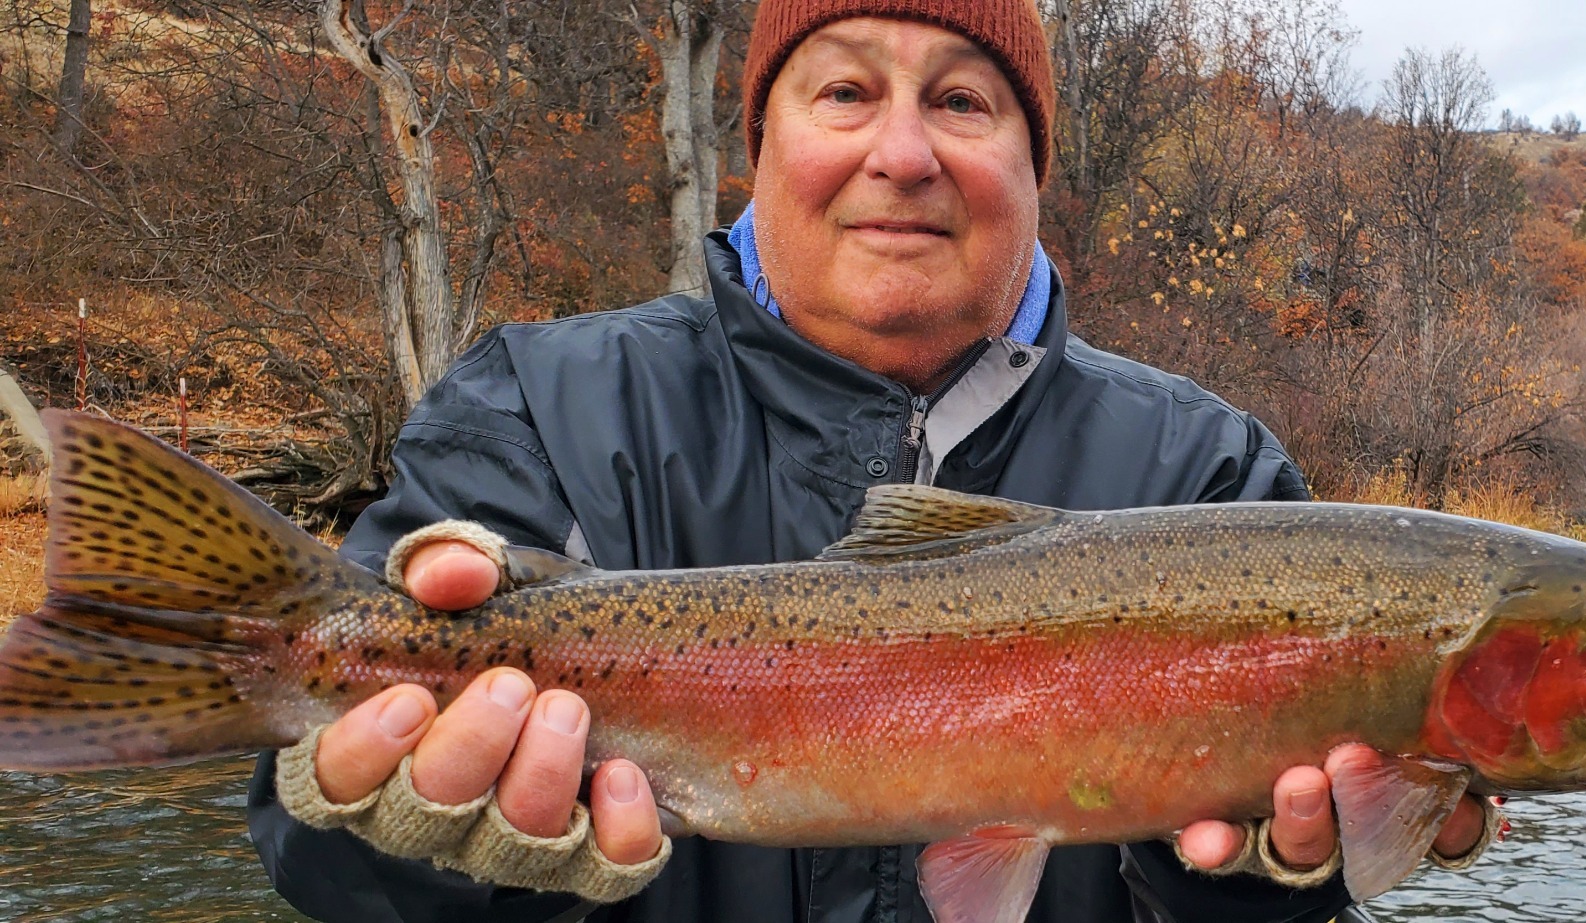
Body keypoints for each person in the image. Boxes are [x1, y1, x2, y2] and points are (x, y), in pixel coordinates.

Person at [247, 1, 1495, 920]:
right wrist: (424, 855)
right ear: (762, 147)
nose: (903, 154)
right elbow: (314, 851)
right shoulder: (536, 406)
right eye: (844, 92)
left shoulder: (1212, 469)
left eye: (962, 101)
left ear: (1032, 166)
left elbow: (1292, 889)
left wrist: (1250, 890)